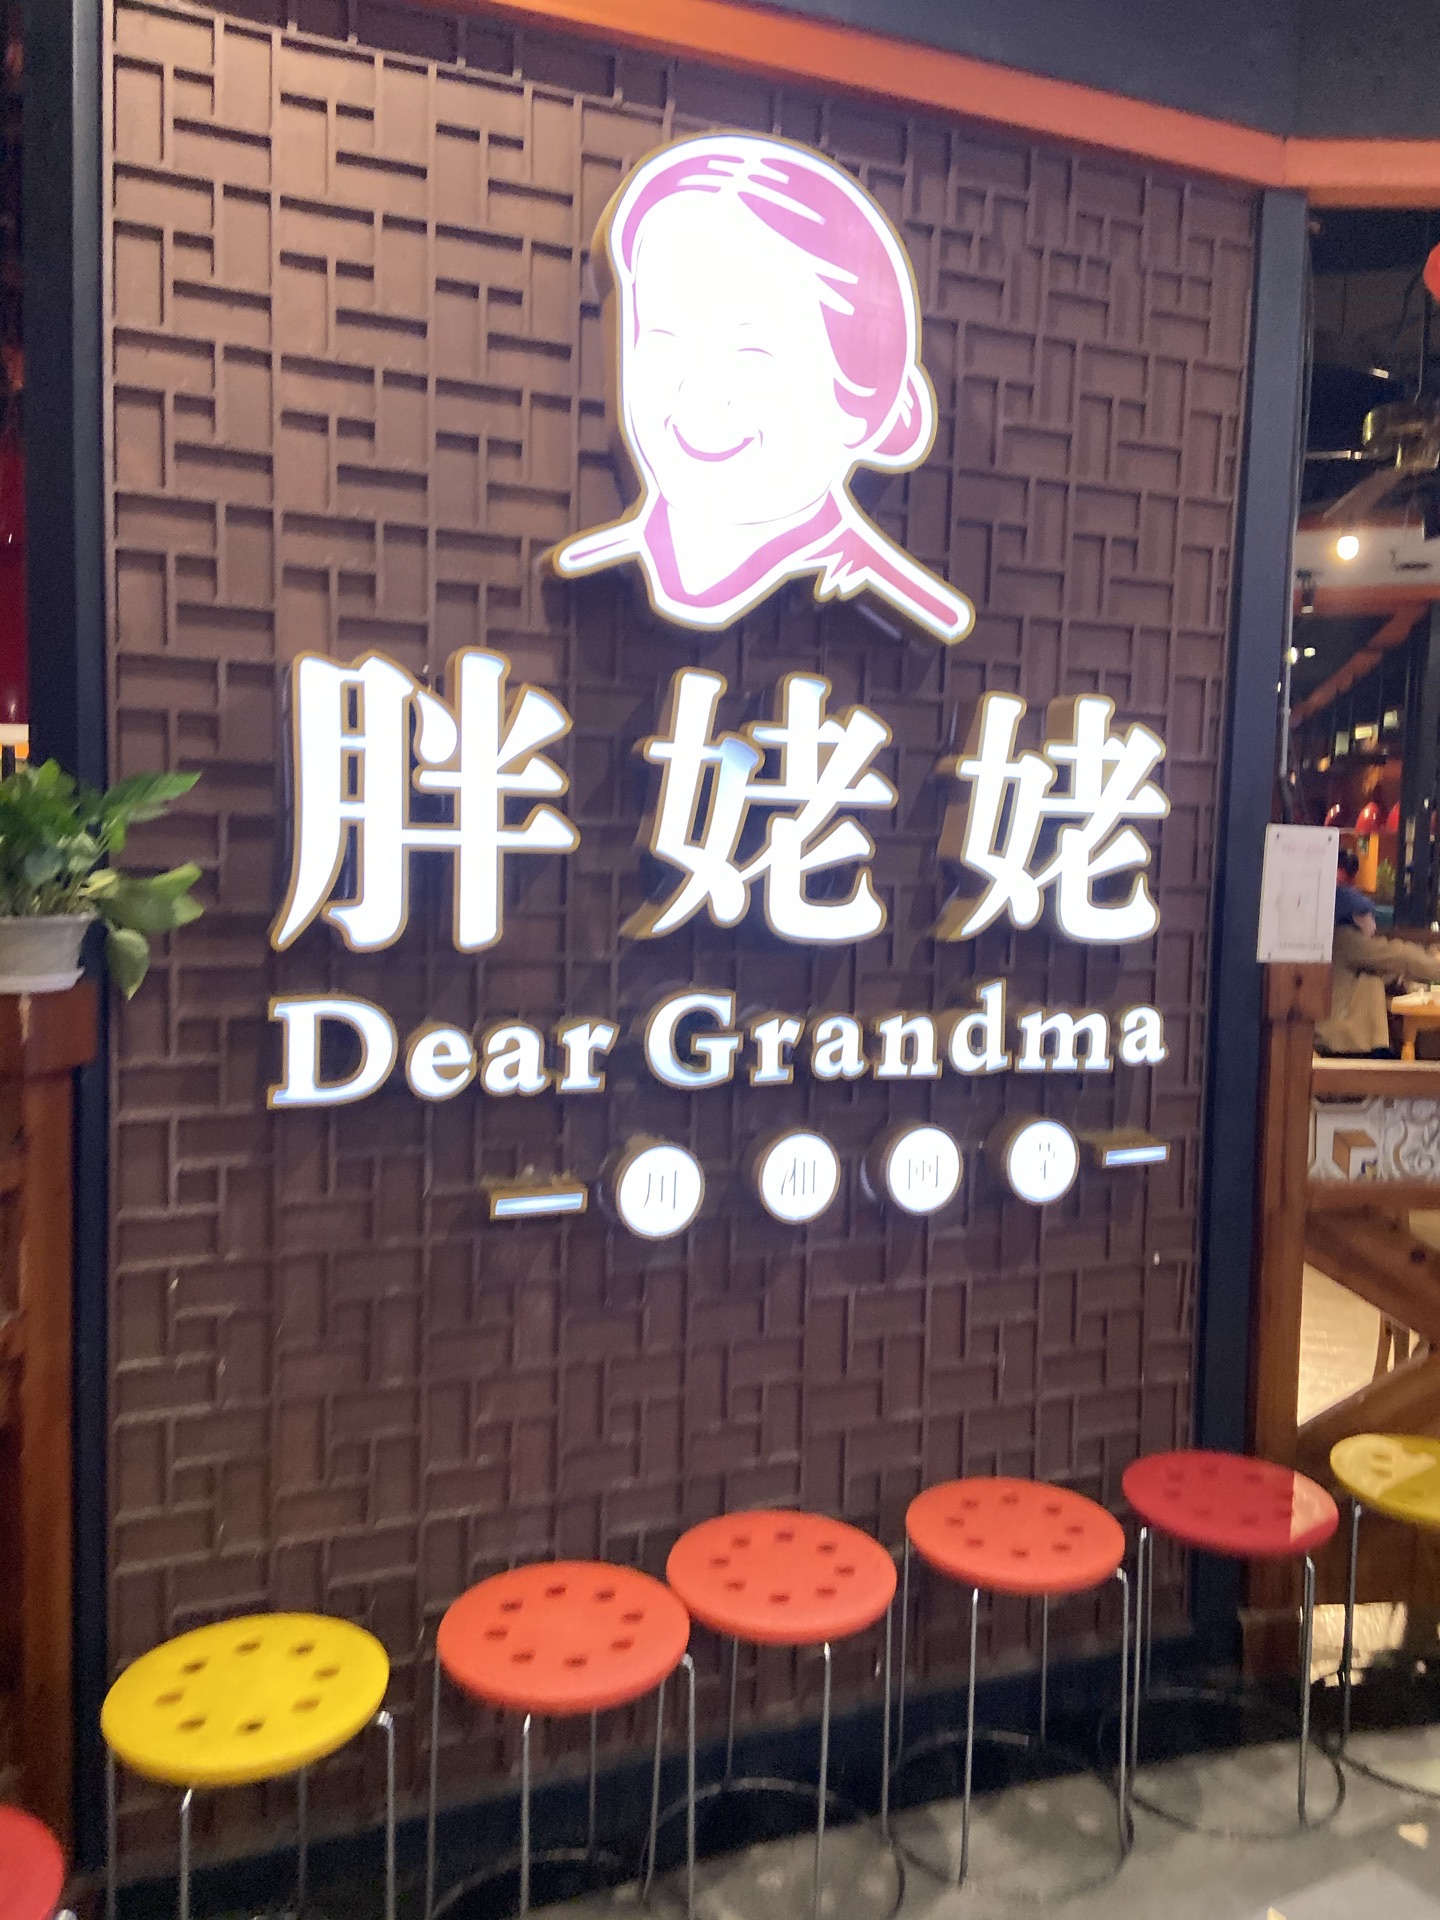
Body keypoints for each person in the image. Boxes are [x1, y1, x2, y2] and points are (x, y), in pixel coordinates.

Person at [550, 134, 976, 645]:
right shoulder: (592, 567)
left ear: (872, 405)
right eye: (663, 338)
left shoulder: (909, 603)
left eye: (751, 354)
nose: (700, 390)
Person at [1315, 885, 1440, 1055]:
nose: (1375, 926)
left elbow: (1381, 968)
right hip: (1344, 1041)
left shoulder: (1341, 942)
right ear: (1357, 917)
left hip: (1346, 1039)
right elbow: (1396, 955)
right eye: (1371, 918)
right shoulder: (1347, 939)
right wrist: (1434, 964)